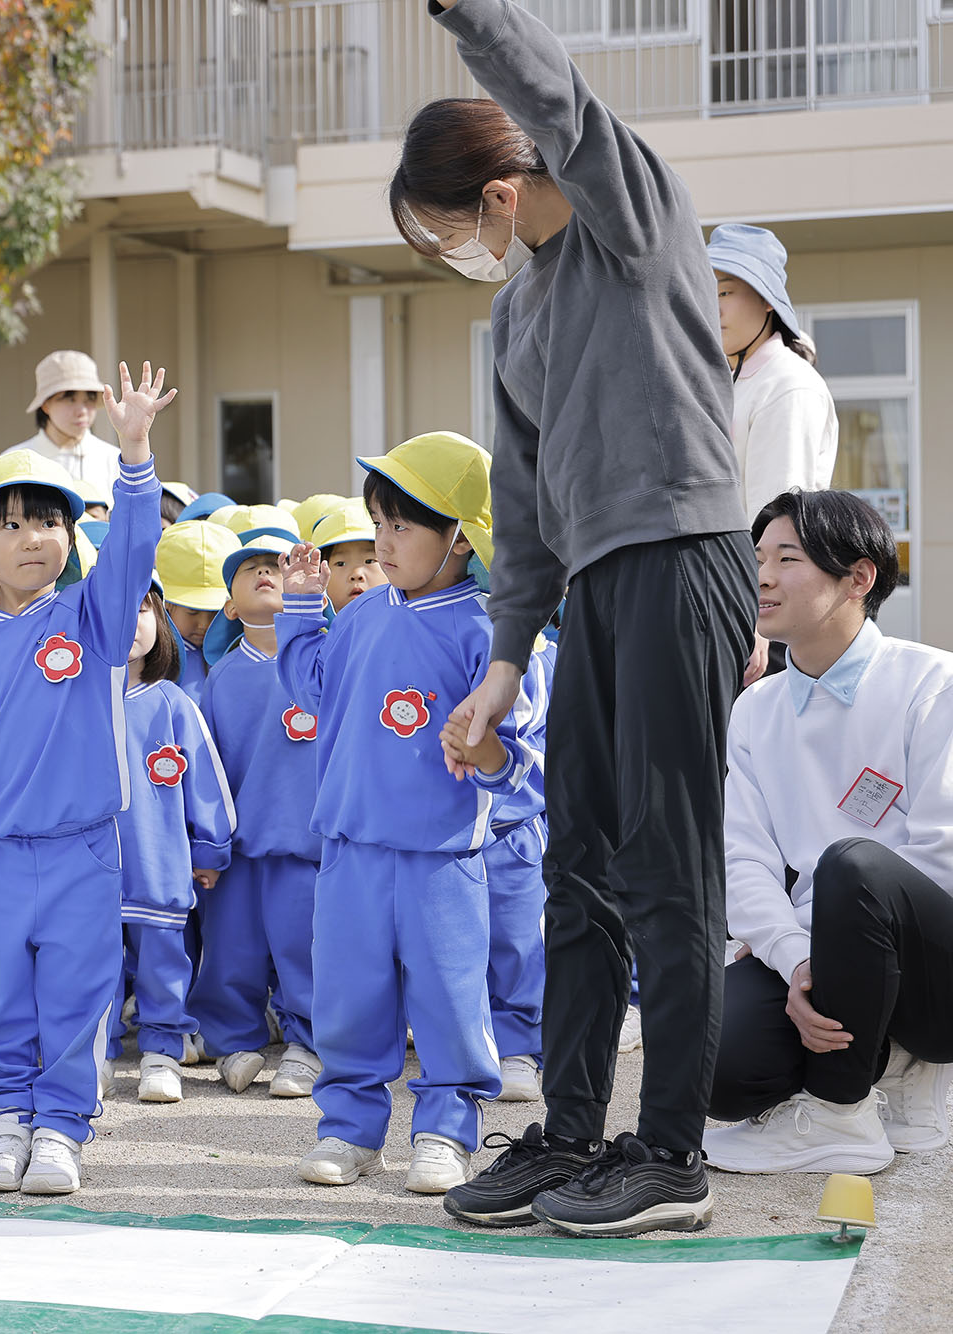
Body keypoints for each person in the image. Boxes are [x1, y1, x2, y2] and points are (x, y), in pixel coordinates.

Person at [397, 0, 759, 1236]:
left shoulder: (628, 215)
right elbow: (521, 501)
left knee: (667, 865)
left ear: (500, 191)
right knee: (576, 870)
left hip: (682, 556)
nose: (455, 252)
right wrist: (502, 663)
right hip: (595, 588)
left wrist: (462, 12)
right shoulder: (516, 315)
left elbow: (553, 92)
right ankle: (566, 1132)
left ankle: (670, 1153)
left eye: (450, 225)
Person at [0, 364, 174, 1197]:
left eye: (50, 522)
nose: (34, 539)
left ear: (72, 535)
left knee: (76, 990)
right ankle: (6, 1119)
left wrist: (133, 453)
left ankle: (62, 1127)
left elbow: (135, 549)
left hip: (82, 852)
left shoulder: (91, 617)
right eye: (14, 525)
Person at [274, 432, 540, 1197]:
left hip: (441, 858)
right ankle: (350, 1133)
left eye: (402, 527)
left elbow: (524, 767)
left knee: (450, 1000)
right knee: (349, 999)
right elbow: (315, 691)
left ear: (460, 537)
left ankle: (445, 1131)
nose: (381, 545)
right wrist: (300, 607)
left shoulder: (491, 631)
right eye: (378, 523)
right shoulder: (359, 616)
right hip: (351, 850)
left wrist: (485, 752)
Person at [704, 490, 953, 1174]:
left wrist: (845, 955)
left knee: (855, 865)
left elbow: (942, 858)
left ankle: (847, 1108)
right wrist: (796, 959)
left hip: (936, 970)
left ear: (859, 578)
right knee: (715, 1064)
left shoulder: (931, 682)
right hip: (830, 954)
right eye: (757, 559)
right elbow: (742, 858)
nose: (763, 576)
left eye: (788, 558)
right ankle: (873, 1069)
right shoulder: (756, 710)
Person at [192, 529, 323, 1100]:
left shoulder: (325, 666)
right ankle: (234, 1041)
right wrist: (207, 844)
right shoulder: (218, 679)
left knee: (307, 949)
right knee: (230, 951)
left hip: (307, 842)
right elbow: (203, 773)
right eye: (251, 569)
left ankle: (308, 1044)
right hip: (237, 849)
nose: (267, 572)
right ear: (227, 603)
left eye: (278, 563)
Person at [114, 587, 235, 1104]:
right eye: (116, 607)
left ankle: (163, 1052)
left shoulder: (173, 701)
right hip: (83, 873)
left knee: (164, 965)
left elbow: (206, 782)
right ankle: (95, 1053)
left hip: (158, 868)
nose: (130, 620)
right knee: (91, 971)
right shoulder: (70, 702)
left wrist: (209, 848)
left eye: (142, 608)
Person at [708, 223, 839, 684]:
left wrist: (759, 618)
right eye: (705, 291)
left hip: (766, 622)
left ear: (767, 300)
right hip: (740, 602)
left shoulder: (786, 385)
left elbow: (779, 516)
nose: (712, 306)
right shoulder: (733, 381)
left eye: (725, 292)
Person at [484, 628, 554, 1104]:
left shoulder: (547, 656)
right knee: (451, 948)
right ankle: (468, 1044)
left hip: (512, 823)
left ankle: (518, 1048)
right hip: (442, 829)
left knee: (517, 940)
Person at [5, 350, 125, 519]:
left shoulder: (115, 459)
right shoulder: (14, 460)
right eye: (70, 399)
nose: (82, 411)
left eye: (89, 399)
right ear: (46, 404)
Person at [156, 520, 242, 709]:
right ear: (167, 604)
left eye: (215, 613)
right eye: (192, 611)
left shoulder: (239, 649)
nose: (204, 624)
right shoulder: (155, 654)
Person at [310, 499, 389, 615]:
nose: (356, 575)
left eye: (369, 561)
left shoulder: (406, 624)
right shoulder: (313, 630)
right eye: (340, 563)